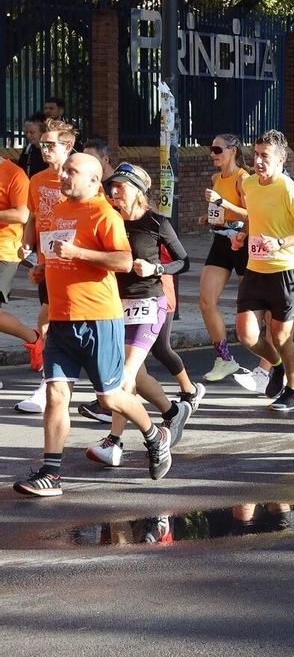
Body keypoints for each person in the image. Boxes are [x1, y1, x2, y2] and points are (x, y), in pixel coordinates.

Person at [14, 154, 172, 497]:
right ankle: (51, 473)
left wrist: (78, 254)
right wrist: (41, 269)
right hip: (60, 319)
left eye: (72, 171)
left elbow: (124, 260)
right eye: (64, 169)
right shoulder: (55, 210)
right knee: (57, 394)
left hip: (99, 319)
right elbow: (52, 255)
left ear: (93, 181)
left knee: (110, 397)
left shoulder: (104, 213)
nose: (63, 175)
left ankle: (154, 434)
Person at [82, 164, 196, 468]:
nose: (113, 191)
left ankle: (114, 443)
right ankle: (173, 412)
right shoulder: (110, 219)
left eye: (120, 186)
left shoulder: (156, 222)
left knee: (124, 378)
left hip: (149, 303)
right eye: (112, 186)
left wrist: (156, 268)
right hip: (115, 305)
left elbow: (184, 261)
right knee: (139, 376)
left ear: (136, 190)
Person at [229, 131, 294, 411]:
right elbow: (256, 217)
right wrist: (243, 234)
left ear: (280, 160)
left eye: (264, 156)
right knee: (246, 334)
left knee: (281, 337)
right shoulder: (250, 184)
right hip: (255, 268)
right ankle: (276, 366)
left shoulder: (288, 189)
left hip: (285, 271)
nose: (257, 160)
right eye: (255, 154)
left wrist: (280, 242)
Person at [15, 122, 77, 415]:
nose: (44, 149)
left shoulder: (80, 180)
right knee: (46, 322)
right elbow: (33, 217)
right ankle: (50, 383)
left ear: (67, 146)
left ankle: (109, 391)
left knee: (61, 323)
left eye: (50, 144)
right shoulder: (37, 180)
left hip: (75, 262)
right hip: (46, 261)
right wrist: (27, 243)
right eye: (42, 144)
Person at [193, 133, 253, 383]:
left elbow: (252, 213)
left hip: (241, 241)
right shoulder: (216, 178)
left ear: (233, 151)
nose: (212, 154)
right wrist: (210, 216)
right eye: (211, 149)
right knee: (206, 301)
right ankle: (225, 358)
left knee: (254, 305)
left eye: (217, 149)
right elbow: (222, 211)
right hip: (220, 241)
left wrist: (222, 202)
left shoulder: (244, 179)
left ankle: (272, 360)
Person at [0, 147, 42, 372]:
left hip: (4, 250)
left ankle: (34, 339)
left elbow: (22, 214)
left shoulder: (14, 174)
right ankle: (34, 339)